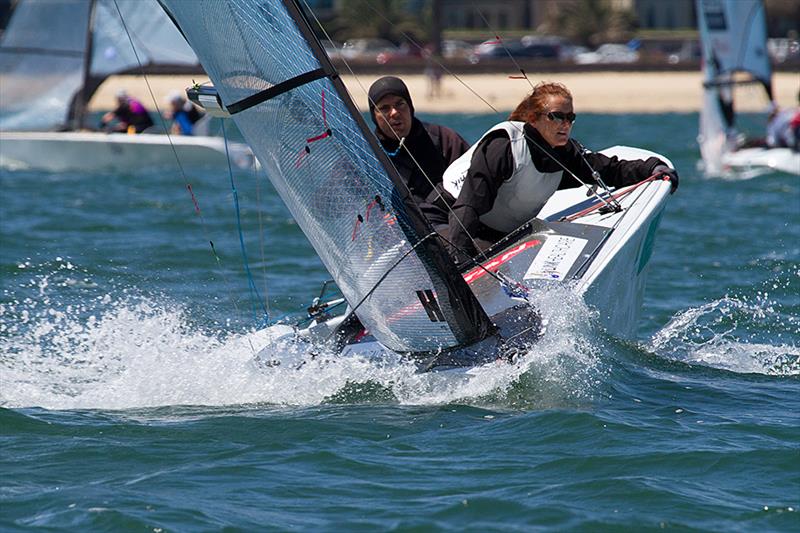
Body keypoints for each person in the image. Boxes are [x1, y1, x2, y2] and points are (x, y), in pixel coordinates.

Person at [444, 81, 679, 260]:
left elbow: (608, 169)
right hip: (448, 219)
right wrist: (460, 262)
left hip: (497, 234)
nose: (565, 124)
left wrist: (651, 168)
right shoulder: (504, 147)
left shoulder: (565, 153)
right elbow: (467, 208)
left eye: (570, 118)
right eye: (557, 117)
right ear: (534, 118)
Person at [368, 75, 469, 228]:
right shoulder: (367, 154)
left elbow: (474, 183)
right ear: (374, 116)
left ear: (410, 107)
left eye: (400, 104)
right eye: (384, 108)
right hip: (401, 236)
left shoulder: (444, 139)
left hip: (454, 225)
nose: (394, 113)